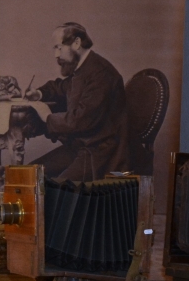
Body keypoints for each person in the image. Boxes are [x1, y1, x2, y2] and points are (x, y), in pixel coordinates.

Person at [12, 22, 128, 180]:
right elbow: (61, 87)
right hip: (81, 148)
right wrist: (38, 94)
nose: (56, 55)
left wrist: (47, 117)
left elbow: (81, 120)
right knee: (24, 176)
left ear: (77, 43)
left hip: (102, 153)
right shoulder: (84, 67)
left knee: (53, 190)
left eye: (59, 48)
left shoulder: (101, 73)